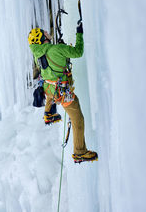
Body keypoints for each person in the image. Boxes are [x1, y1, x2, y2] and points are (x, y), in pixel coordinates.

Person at [28, 23, 98, 163]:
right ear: (42, 38)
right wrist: (79, 33)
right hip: (62, 92)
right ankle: (80, 152)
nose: (47, 32)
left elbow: (51, 62)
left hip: (50, 89)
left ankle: (49, 114)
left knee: (50, 90)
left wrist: (60, 51)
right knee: (78, 119)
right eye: (44, 32)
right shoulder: (57, 49)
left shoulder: (37, 55)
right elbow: (78, 52)